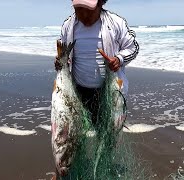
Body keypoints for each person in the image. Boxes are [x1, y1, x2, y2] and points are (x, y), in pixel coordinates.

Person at [52, 0, 139, 178]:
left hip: (108, 94)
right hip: (77, 92)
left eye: (88, 10)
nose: (83, 15)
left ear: (100, 4)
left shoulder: (116, 23)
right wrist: (60, 62)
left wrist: (119, 59)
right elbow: (63, 53)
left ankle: (104, 169)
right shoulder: (69, 25)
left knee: (108, 136)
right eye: (78, 10)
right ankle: (66, 173)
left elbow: (133, 47)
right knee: (70, 138)